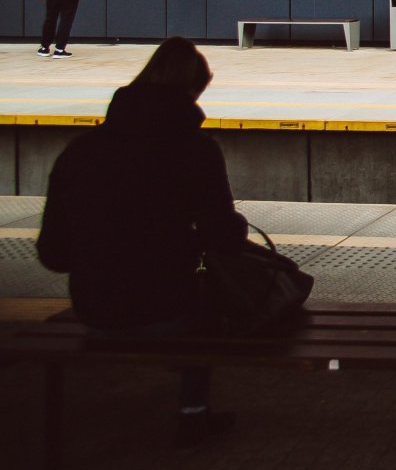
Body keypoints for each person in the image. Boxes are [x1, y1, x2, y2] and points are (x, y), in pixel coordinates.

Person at [36, 37, 248, 447]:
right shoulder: (195, 149)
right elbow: (224, 238)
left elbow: (54, 254)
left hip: (93, 305)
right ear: (193, 91)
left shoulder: (82, 150)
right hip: (168, 306)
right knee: (215, 302)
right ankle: (193, 413)